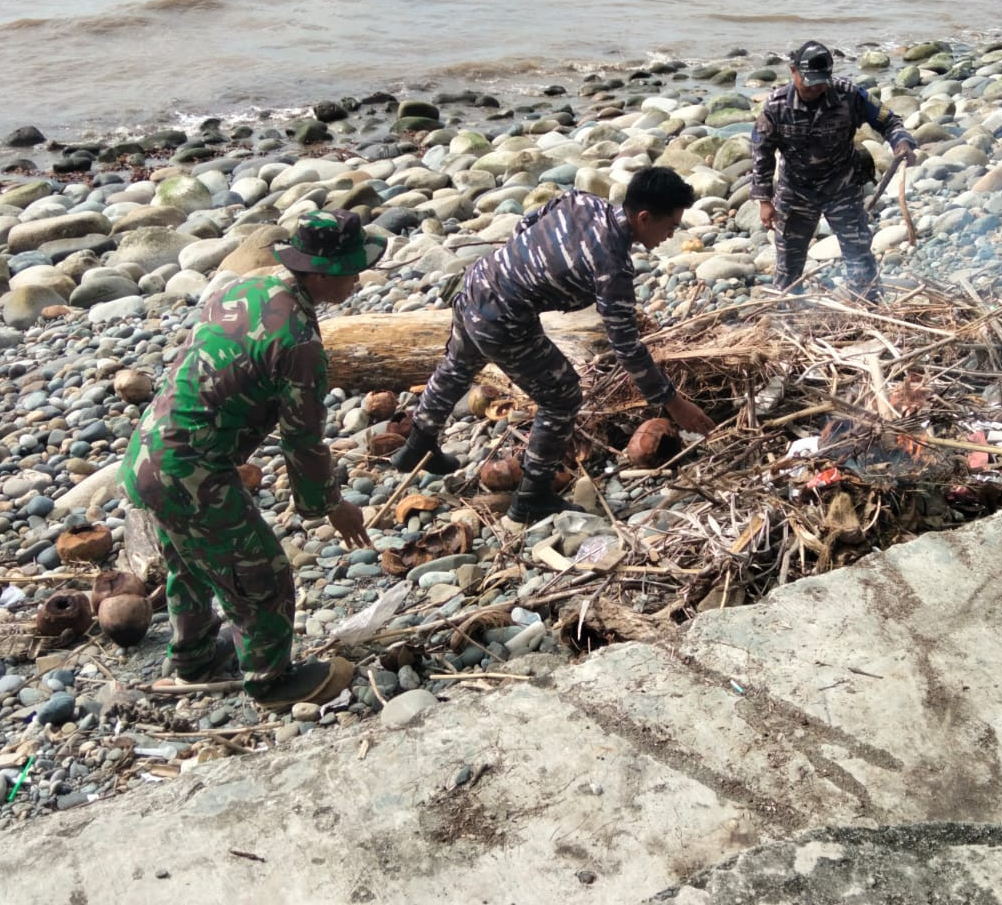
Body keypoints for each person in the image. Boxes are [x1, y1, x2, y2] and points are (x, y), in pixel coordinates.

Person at [119, 209, 380, 711]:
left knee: (191, 562)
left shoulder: (242, 290)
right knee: (261, 574)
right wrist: (331, 506)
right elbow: (302, 440)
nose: (357, 278)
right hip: (189, 471)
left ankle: (194, 658)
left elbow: (208, 374)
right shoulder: (300, 342)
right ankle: (270, 680)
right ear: (321, 274)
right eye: (351, 270)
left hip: (148, 451)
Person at [393, 167, 715, 524]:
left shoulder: (583, 201)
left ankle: (417, 443)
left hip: (478, 282)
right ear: (643, 217)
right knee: (562, 396)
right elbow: (626, 346)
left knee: (458, 364)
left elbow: (526, 224)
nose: (670, 236)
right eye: (669, 227)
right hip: (504, 320)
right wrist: (672, 401)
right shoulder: (612, 264)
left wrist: (530, 276)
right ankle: (533, 496)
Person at [751, 40, 917, 301]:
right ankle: (788, 311)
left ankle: (867, 304)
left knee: (858, 251)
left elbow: (889, 120)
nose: (815, 88)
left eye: (820, 81)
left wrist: (901, 142)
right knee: (789, 260)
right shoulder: (776, 106)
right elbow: (762, 153)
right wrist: (764, 199)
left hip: (842, 186)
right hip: (796, 191)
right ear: (793, 71)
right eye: (808, 81)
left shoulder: (849, 94)